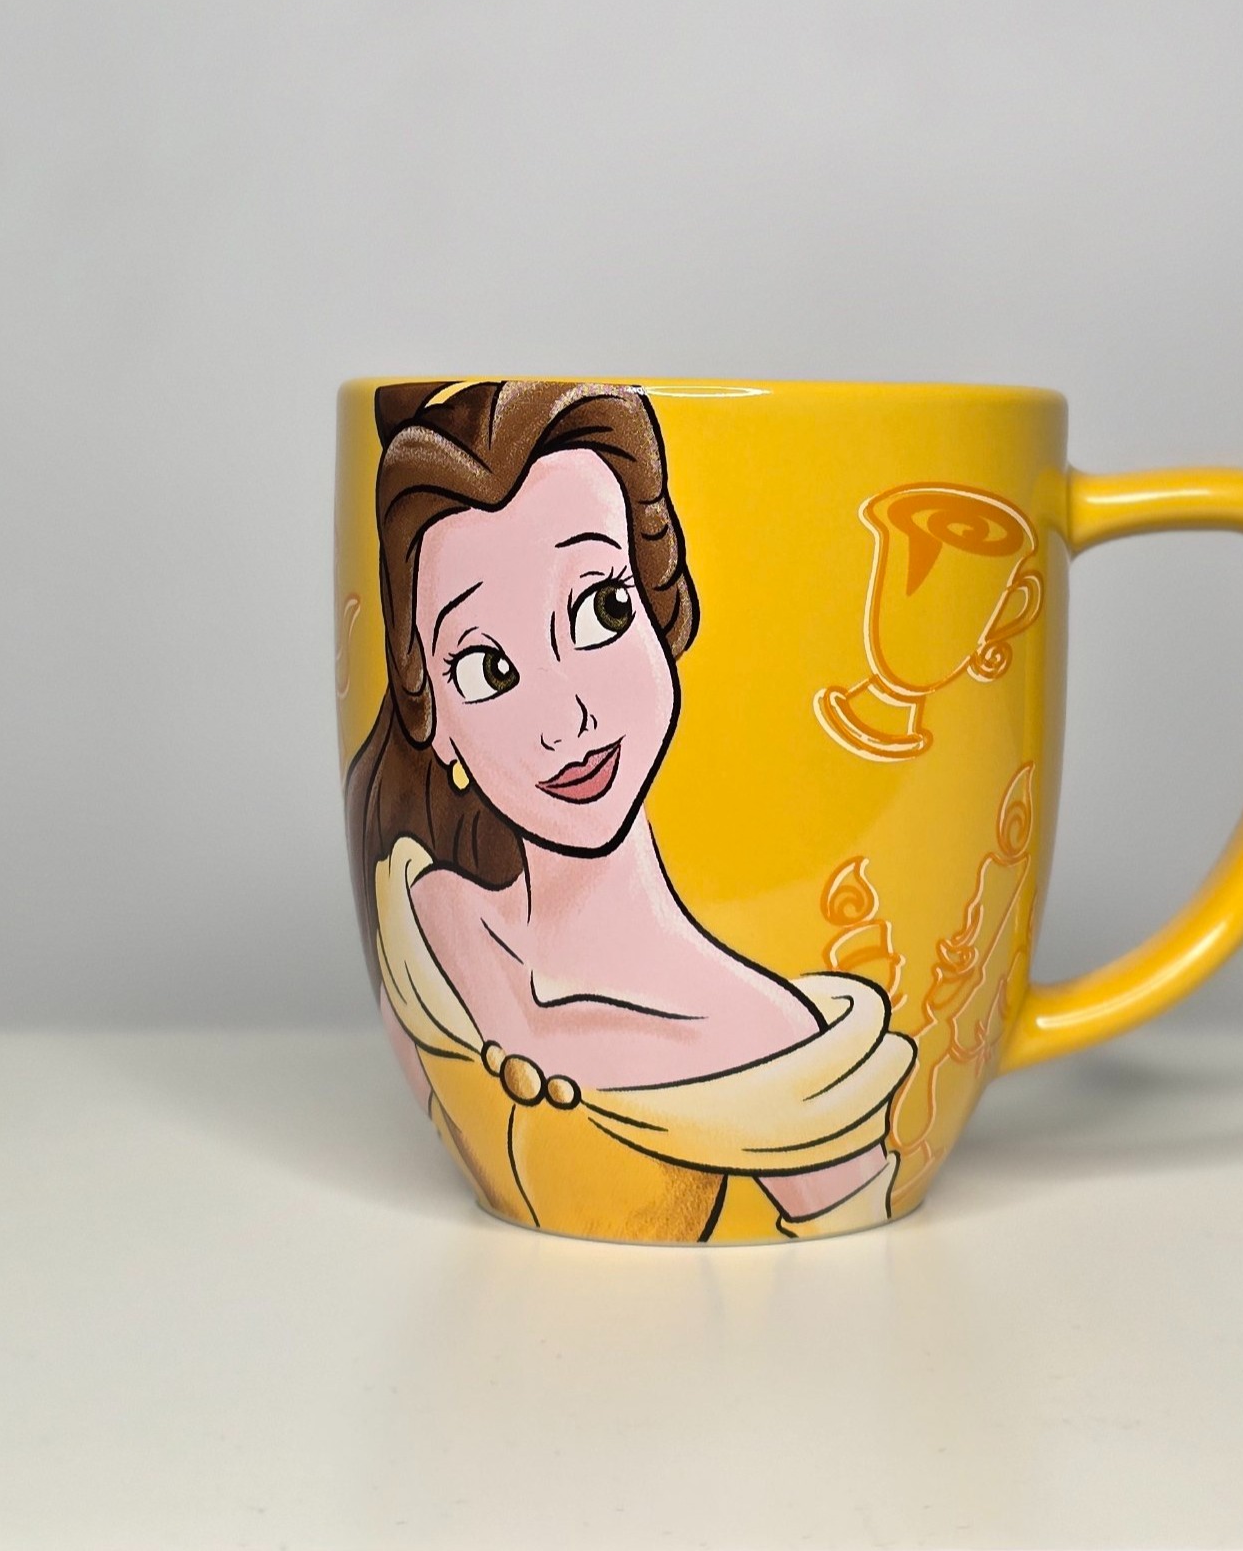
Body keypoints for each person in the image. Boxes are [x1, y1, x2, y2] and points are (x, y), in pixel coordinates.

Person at [345, 380, 914, 1242]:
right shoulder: (425, 925)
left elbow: (867, 1272)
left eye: (602, 610)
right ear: (437, 722)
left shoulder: (767, 1047)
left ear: (661, 612)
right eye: (487, 670)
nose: (565, 719)